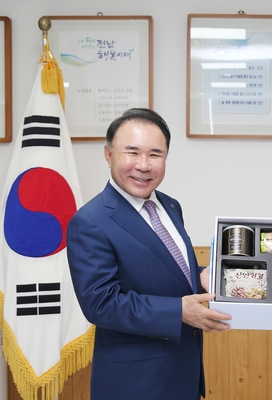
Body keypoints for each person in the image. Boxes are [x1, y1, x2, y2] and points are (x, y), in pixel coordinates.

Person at [66, 108, 231, 400]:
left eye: (155, 154)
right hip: (135, 383)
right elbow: (101, 304)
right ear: (108, 154)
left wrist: (202, 273)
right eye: (132, 152)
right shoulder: (90, 221)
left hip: (182, 372)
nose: (143, 165)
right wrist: (178, 310)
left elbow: (166, 265)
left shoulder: (169, 205)